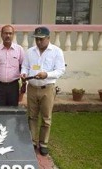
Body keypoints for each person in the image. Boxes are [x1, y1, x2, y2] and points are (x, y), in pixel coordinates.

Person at [21, 26, 66, 156]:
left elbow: (60, 70)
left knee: (46, 118)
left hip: (47, 88)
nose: (39, 42)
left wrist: (46, 74)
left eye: (41, 39)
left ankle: (43, 143)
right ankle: (33, 142)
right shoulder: (30, 51)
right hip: (32, 88)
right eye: (37, 39)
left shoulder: (56, 51)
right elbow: (25, 66)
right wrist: (24, 74)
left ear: (48, 38)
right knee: (32, 116)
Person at [0, 25, 25, 106]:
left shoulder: (19, 49)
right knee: (0, 111)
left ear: (13, 35)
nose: (8, 35)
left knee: (12, 111)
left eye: (10, 33)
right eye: (5, 33)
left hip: (14, 86)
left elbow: (22, 68)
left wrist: (24, 84)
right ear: (1, 35)